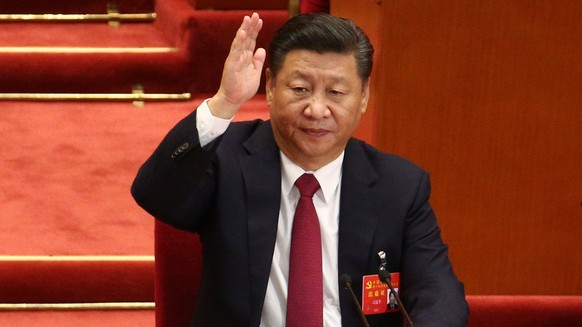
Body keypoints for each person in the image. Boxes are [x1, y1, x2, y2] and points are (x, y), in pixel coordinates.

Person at [132, 12, 469, 326]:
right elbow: (155, 193)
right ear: (271, 87)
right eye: (300, 89)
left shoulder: (399, 186)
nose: (316, 109)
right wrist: (224, 103)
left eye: (336, 92)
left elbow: (438, 292)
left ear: (363, 96)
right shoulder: (226, 158)